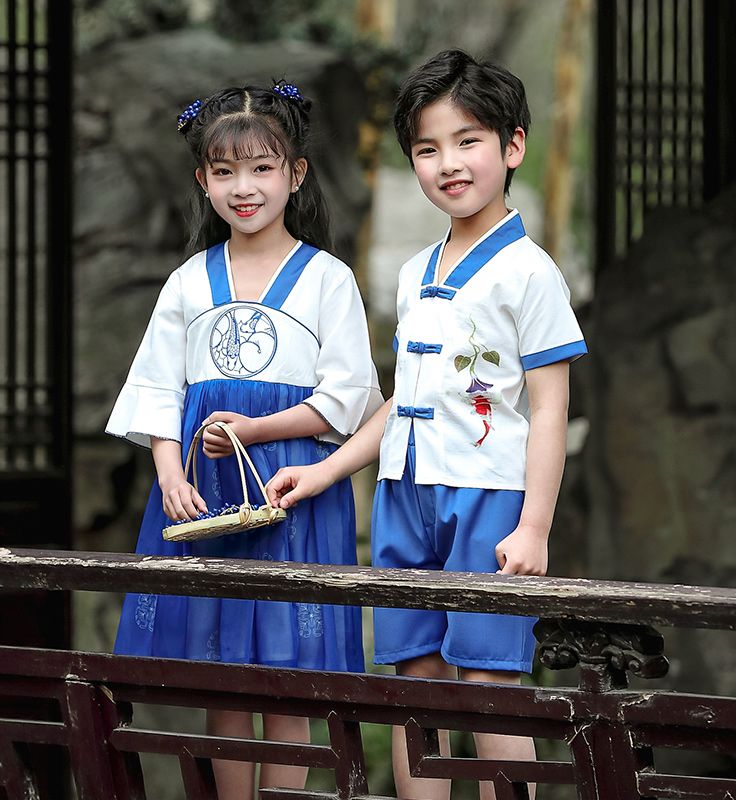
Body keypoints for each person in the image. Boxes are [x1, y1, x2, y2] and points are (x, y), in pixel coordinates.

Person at [266, 50, 587, 800]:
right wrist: (326, 469)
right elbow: (401, 399)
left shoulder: (531, 273)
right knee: (416, 675)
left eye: (468, 140)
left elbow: (549, 406)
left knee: (486, 676)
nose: (448, 163)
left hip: (485, 495)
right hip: (402, 492)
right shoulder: (415, 273)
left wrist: (534, 523)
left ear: (514, 147)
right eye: (427, 148)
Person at [105, 80, 382, 799]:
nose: (243, 187)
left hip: (293, 492)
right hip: (207, 498)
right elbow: (158, 390)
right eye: (224, 172)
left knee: (288, 688)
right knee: (222, 683)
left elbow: (347, 399)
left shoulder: (328, 280)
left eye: (262, 168)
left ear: (296, 173)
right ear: (203, 180)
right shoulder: (188, 283)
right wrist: (169, 470)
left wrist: (258, 429)